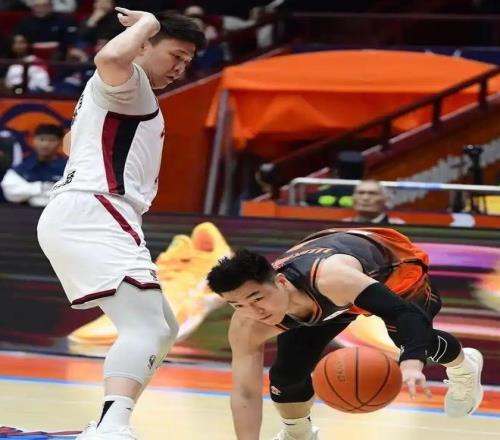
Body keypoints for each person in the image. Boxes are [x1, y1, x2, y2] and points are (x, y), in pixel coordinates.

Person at [37, 8, 205, 440]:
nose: (180, 68)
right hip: (96, 211)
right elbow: (111, 58)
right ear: (144, 45)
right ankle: (111, 426)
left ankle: (108, 421)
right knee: (146, 327)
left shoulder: (116, 92)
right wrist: (148, 21)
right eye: (176, 55)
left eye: (188, 62)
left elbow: (73, 143)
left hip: (91, 211)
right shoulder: (129, 80)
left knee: (163, 328)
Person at [207, 227, 484, 440]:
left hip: (391, 270)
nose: (254, 311)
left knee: (416, 340)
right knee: (287, 375)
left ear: (280, 282)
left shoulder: (331, 278)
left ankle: (464, 366)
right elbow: (245, 393)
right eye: (238, 305)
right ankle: (298, 434)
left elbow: (405, 314)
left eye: (257, 298)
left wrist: (411, 363)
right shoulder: (247, 323)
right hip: (324, 294)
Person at [1, 123, 66, 207]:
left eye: (51, 140)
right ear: (33, 140)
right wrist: (41, 187)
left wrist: (29, 193)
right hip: (25, 213)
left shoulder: (67, 168)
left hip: (58, 211)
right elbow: (11, 193)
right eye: (42, 139)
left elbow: (69, 195)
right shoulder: (22, 168)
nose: (46, 144)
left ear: (60, 142)